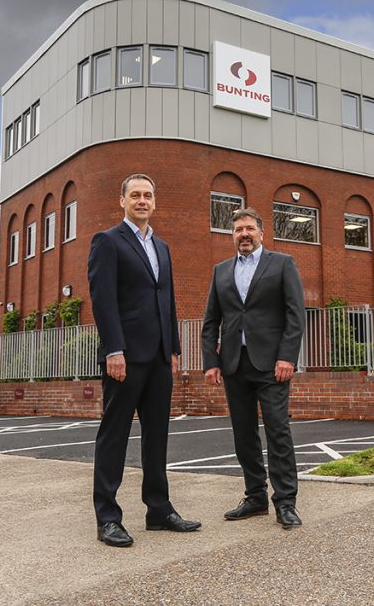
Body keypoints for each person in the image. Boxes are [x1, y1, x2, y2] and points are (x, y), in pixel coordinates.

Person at [87, 173, 201, 547]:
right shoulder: (108, 241)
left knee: (158, 434)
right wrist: (113, 350)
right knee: (114, 435)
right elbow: (103, 301)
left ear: (155, 202)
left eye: (147, 195)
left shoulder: (161, 246)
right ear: (121, 201)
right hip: (125, 356)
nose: (141, 200)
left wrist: (173, 350)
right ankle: (107, 517)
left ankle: (158, 508)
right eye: (134, 195)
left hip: (157, 357)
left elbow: (166, 300)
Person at [201, 207, 306, 529]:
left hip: (272, 365)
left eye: (249, 229)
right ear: (232, 235)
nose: (243, 234)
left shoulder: (282, 264)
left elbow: (295, 315)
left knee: (278, 431)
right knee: (243, 435)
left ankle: (285, 502)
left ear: (261, 233)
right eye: (238, 230)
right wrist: (211, 362)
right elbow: (210, 322)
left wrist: (287, 357)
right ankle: (255, 497)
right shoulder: (221, 271)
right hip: (234, 364)